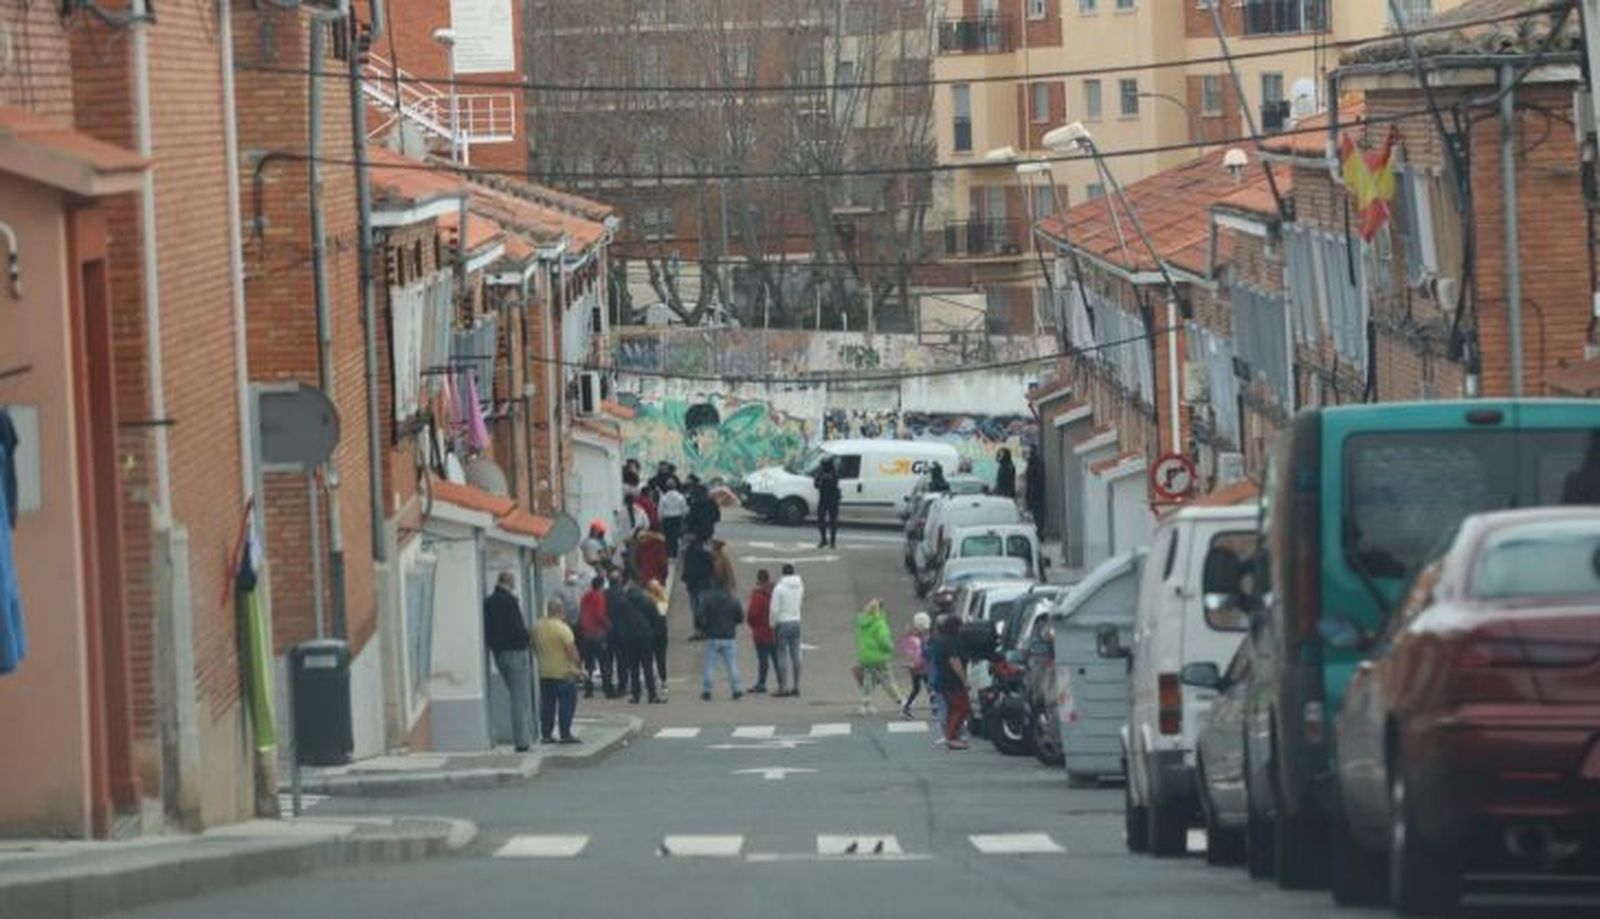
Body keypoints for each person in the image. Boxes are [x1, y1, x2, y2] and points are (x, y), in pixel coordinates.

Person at [482, 571, 534, 751]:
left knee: (515, 695)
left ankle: (522, 739)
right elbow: (517, 627)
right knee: (520, 698)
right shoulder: (510, 602)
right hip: (515, 651)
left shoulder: (488, 602)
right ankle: (522, 742)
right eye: (513, 581)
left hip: (498, 653)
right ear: (509, 582)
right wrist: (528, 638)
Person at [533, 598, 582, 745]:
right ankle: (565, 733)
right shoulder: (563, 628)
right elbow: (572, 651)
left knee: (547, 704)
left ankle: (546, 734)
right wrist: (579, 669)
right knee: (566, 704)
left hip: (544, 672)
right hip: (564, 672)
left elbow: (534, 647)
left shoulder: (538, 627)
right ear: (561, 611)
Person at [615, 574, 663, 704]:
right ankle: (652, 694)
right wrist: (653, 632)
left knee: (633, 667)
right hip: (645, 635)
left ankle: (636, 695)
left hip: (630, 637)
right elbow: (656, 618)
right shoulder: (647, 600)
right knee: (647, 665)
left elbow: (619, 620)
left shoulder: (623, 602)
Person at [854, 599, 904, 715]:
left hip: (866, 656)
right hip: (879, 657)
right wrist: (891, 647)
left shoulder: (862, 622)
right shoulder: (879, 623)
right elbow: (883, 641)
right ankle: (900, 701)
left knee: (868, 680)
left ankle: (865, 704)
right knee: (888, 680)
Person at [697, 583, 745, 701]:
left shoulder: (708, 598)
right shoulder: (733, 599)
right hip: (729, 636)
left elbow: (699, 614)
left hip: (713, 635)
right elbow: (740, 616)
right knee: (731, 665)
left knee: (710, 665)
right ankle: (737, 690)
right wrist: (733, 623)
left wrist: (704, 627)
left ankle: (707, 691)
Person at [933, 614, 971, 750]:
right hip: (952, 681)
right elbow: (955, 662)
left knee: (952, 709)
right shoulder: (951, 642)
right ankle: (952, 737)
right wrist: (965, 680)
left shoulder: (940, 640)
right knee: (961, 708)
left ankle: (953, 735)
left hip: (943, 680)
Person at [770, 564, 805, 697]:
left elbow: (774, 609)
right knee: (796, 654)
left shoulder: (779, 588)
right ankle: (796, 685)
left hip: (783, 623)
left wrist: (772, 623)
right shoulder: (800, 586)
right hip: (796, 621)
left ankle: (783, 687)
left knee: (782, 654)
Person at [578, 576, 614, 699]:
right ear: (601, 585)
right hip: (598, 633)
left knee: (589, 664)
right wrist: (609, 626)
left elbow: (582, 613)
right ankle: (608, 688)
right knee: (604, 662)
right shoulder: (599, 596)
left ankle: (588, 689)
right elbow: (600, 615)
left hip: (586, 633)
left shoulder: (585, 596)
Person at [746, 569, 776, 694]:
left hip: (761, 632)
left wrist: (753, 626)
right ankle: (782, 681)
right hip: (774, 631)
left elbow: (752, 614)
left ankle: (761, 683)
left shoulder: (757, 595)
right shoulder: (775, 592)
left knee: (763, 660)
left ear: (758, 579)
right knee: (777, 658)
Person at [898, 611, 932, 720]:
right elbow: (922, 652)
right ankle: (936, 709)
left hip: (915, 667)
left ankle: (906, 708)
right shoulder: (922, 637)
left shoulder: (911, 637)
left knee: (917, 688)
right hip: (922, 667)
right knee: (929, 687)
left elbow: (908, 652)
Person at [682, 536, 714, 639]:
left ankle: (699, 630)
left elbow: (686, 570)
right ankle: (704, 630)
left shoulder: (688, 555)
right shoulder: (706, 555)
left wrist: (686, 579)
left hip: (693, 585)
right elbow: (711, 569)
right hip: (703, 585)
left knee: (696, 609)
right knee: (701, 608)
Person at [812, 456, 842, 549]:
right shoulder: (820, 473)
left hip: (832, 499)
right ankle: (824, 539)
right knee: (821, 520)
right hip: (823, 498)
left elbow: (835, 482)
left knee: (833, 521)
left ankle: (832, 542)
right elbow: (816, 485)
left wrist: (825, 479)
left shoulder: (834, 473)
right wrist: (819, 479)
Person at [646, 578, 671, 687]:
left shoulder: (646, 602)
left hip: (650, 633)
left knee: (649, 658)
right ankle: (663, 679)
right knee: (661, 658)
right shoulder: (662, 602)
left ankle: (651, 680)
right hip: (661, 633)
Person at [686, 476, 720, 543]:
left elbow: (690, 518)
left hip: (696, 530)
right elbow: (717, 517)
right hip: (708, 529)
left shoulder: (695, 504)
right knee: (707, 546)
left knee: (696, 547)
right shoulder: (712, 503)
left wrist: (688, 528)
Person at [658, 484, 689, 557]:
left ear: (666, 487)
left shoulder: (663, 497)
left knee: (668, 538)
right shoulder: (680, 497)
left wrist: (660, 520)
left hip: (667, 520)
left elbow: (660, 510)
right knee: (676, 537)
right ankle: (675, 553)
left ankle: (668, 554)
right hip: (677, 519)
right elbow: (684, 509)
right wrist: (683, 519)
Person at [1024, 444, 1046, 524]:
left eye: (1029, 453)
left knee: (1038, 515)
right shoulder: (1032, 463)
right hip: (1033, 494)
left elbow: (1034, 480)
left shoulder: (1036, 464)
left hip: (1036, 495)